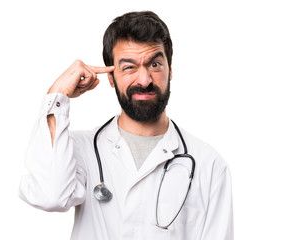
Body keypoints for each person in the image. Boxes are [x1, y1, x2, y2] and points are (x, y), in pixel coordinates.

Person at [19, 11, 233, 240]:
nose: (144, 80)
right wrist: (57, 94)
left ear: (170, 70)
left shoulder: (209, 164)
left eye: (155, 64)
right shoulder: (80, 150)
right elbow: (49, 195)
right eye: (129, 67)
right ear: (111, 77)